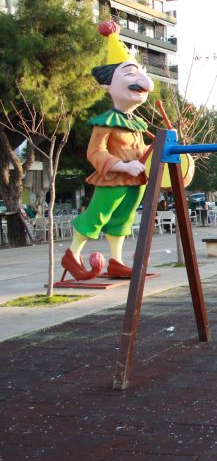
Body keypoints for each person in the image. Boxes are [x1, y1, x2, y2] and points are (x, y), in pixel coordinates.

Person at [62, 20, 154, 281]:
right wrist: (122, 166)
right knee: (97, 215)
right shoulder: (105, 121)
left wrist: (153, 148)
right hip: (113, 178)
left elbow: (137, 150)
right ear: (108, 86)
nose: (141, 81)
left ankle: (116, 261)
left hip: (136, 180)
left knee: (123, 219)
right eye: (130, 73)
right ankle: (72, 254)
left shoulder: (136, 123)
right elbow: (95, 152)